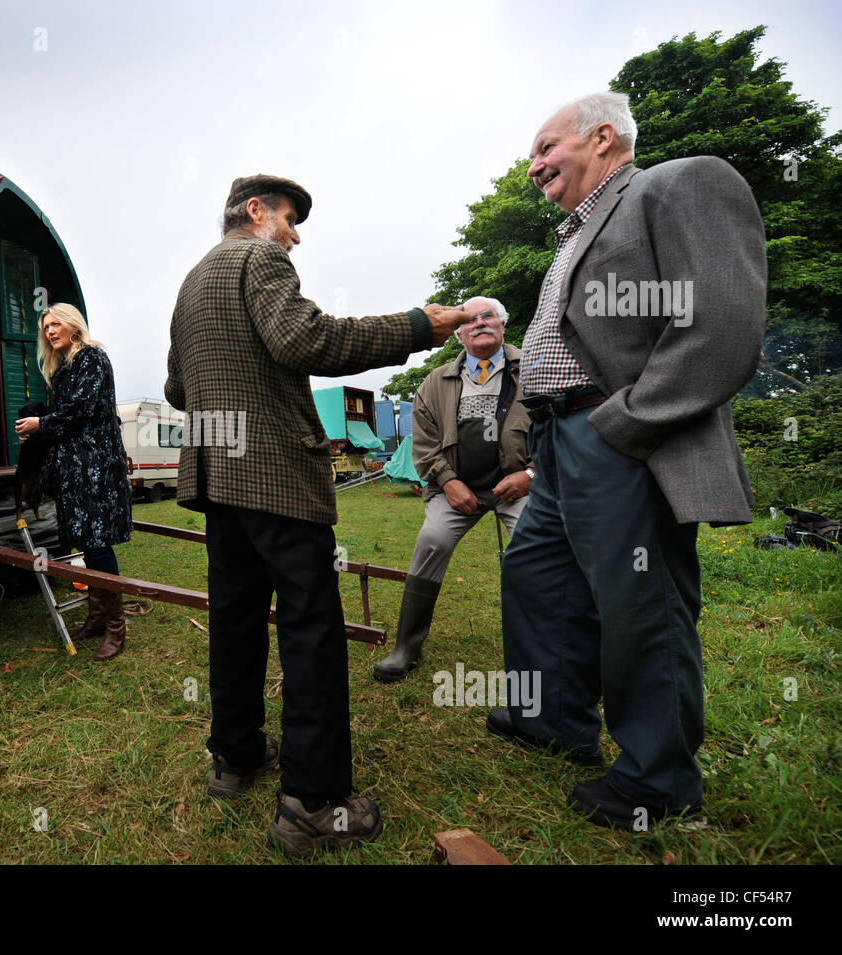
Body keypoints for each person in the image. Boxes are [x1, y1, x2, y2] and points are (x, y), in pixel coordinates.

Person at [165, 173, 472, 857]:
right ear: (255, 211)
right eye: (290, 218)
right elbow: (307, 342)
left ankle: (236, 756)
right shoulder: (260, 258)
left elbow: (176, 386)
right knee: (311, 629)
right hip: (274, 473)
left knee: (236, 620)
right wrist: (421, 324)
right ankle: (313, 801)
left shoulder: (191, 282)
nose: (295, 235)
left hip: (219, 478)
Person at [494, 92, 766, 826]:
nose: (533, 166)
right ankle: (553, 719)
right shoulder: (572, 233)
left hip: (619, 436)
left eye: (545, 148)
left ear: (603, 136)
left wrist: (625, 422)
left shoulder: (677, 183)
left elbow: (723, 323)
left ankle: (657, 779)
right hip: (556, 442)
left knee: (640, 604)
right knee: (536, 573)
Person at [373, 295, 532, 682]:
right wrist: (448, 481)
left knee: (538, 547)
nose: (479, 323)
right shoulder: (437, 380)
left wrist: (530, 476)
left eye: (488, 316)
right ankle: (406, 646)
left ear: (503, 325)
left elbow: (559, 432)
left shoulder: (534, 369)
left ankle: (542, 649)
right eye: (470, 319)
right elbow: (423, 441)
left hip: (519, 485)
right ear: (458, 333)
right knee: (432, 540)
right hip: (457, 488)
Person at [15, 303, 132, 661]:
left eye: (55, 324)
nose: (50, 331)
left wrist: (40, 424)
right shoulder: (62, 368)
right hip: (73, 468)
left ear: (72, 325)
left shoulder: (91, 358)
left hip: (95, 465)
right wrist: (39, 427)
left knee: (96, 541)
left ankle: (116, 625)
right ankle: (97, 616)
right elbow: (66, 416)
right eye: (45, 327)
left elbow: (81, 410)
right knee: (82, 539)